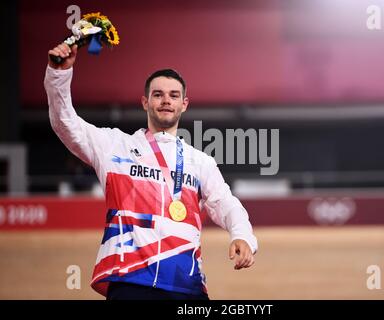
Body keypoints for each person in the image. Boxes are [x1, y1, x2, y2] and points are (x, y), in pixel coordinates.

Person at [44, 43, 258, 300]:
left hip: (186, 284)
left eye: (173, 95)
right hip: (129, 281)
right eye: (158, 94)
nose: (166, 100)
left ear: (184, 104)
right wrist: (58, 75)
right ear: (145, 102)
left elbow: (226, 204)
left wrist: (243, 236)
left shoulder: (200, 161)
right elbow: (65, 124)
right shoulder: (114, 146)